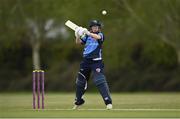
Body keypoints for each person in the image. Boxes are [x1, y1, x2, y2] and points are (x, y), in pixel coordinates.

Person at [73, 20, 112, 110]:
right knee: (80, 81)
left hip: (96, 61)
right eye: (93, 27)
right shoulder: (87, 36)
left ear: (99, 28)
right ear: (91, 27)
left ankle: (108, 102)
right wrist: (77, 35)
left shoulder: (100, 35)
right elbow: (78, 43)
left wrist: (86, 32)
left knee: (99, 80)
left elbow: (97, 37)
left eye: (96, 27)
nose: (95, 28)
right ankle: (78, 101)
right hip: (86, 61)